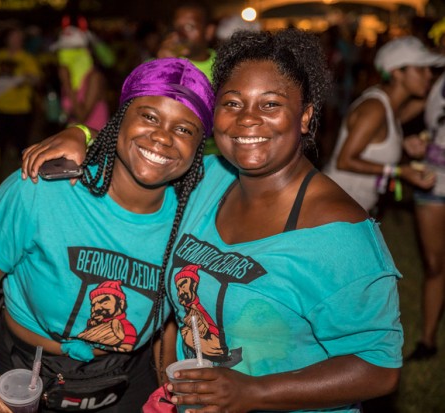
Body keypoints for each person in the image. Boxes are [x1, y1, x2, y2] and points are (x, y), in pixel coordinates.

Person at [23, 28, 405, 413]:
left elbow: (378, 367)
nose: (248, 119)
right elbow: (148, 150)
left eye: (270, 104)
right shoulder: (208, 179)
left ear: (304, 116)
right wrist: (81, 133)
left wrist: (254, 392)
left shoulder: (338, 234)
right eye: (233, 103)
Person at [0, 57, 215, 413]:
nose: (163, 137)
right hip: (23, 372)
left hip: (127, 379)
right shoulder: (43, 189)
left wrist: (170, 388)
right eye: (149, 117)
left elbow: (169, 316)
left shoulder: (194, 216)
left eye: (184, 129)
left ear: (199, 147)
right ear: (120, 119)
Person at [323, 36, 445, 215]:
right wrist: (399, 171)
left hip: (352, 208)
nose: (429, 74)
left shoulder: (391, 108)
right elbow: (344, 161)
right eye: (421, 69)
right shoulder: (375, 108)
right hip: (334, 208)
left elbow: (429, 98)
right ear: (397, 73)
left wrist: (404, 145)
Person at [405, 19, 445, 361]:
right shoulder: (434, 83)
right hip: (432, 180)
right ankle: (428, 339)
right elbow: (393, 115)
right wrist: (407, 141)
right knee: (433, 264)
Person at [156, 2, 219, 156]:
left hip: (215, 156)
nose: (181, 35)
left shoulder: (226, 68)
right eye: (177, 28)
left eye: (189, 27)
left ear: (209, 31)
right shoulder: (156, 65)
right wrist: (163, 68)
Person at [0, 25, 42, 178]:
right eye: (14, 37)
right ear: (7, 39)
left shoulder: (27, 58)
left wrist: (25, 79)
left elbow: (37, 80)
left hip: (20, 108)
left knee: (22, 146)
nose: (17, 40)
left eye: (19, 37)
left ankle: (23, 176)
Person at [50, 24, 109, 132]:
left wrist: (67, 85)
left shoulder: (94, 77)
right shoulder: (72, 77)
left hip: (94, 140)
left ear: (87, 51)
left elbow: (82, 117)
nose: (64, 55)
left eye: (71, 50)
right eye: (62, 50)